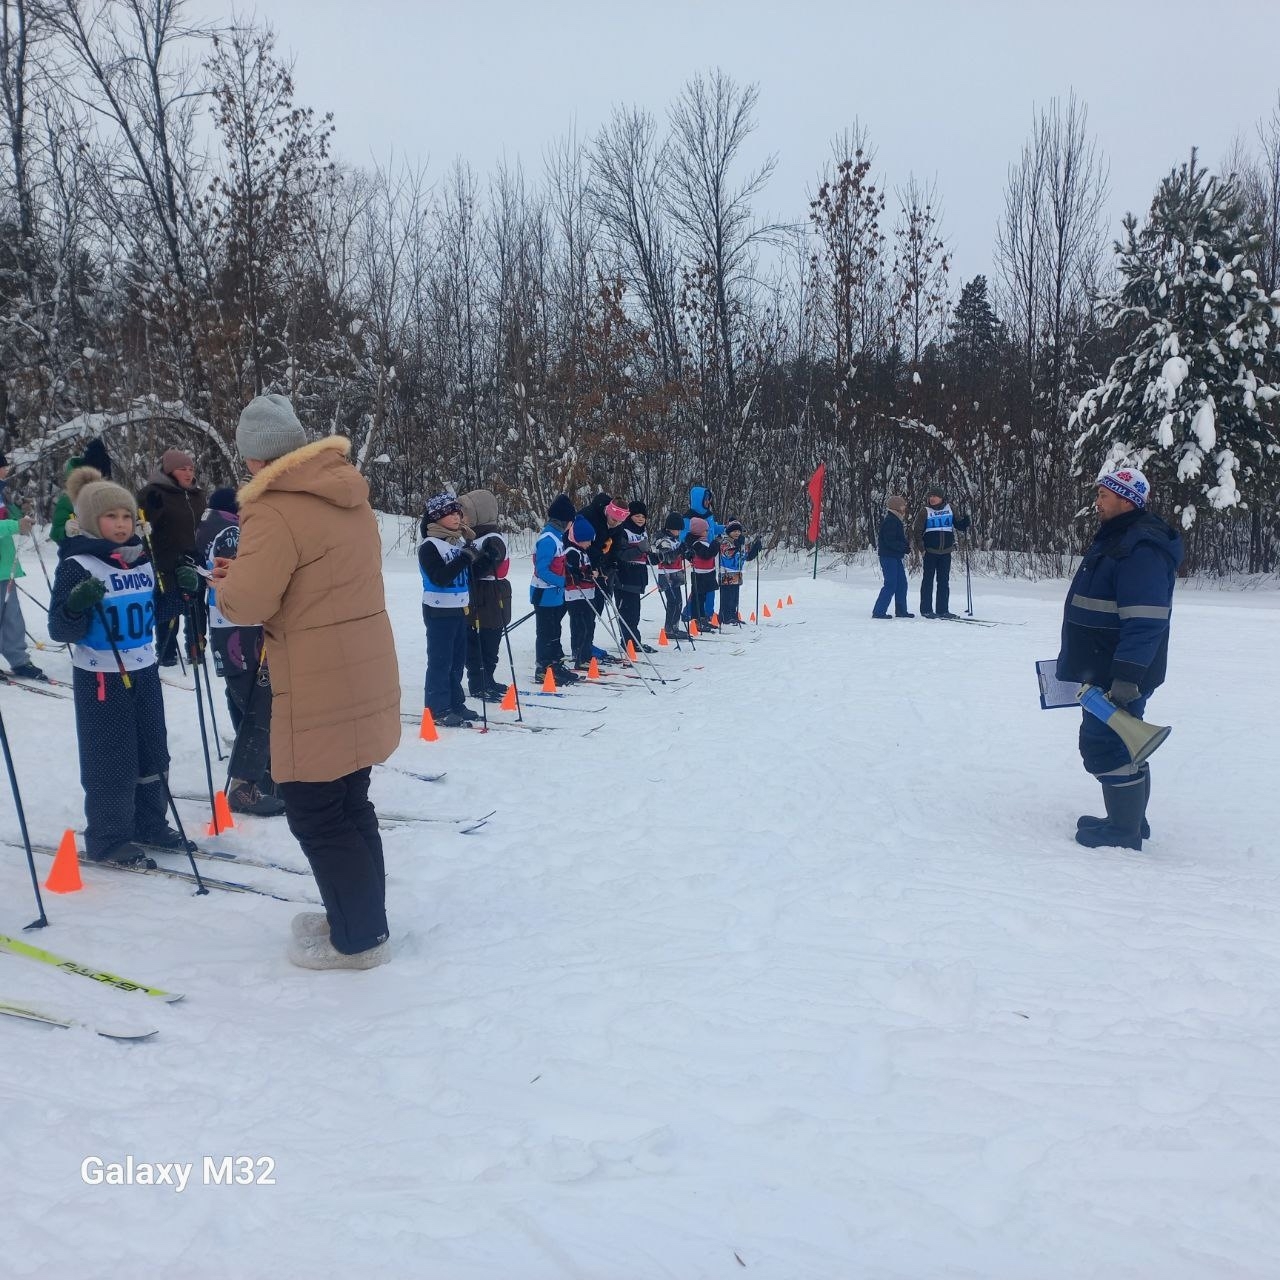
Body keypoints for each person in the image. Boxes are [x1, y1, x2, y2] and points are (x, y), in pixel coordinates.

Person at [214, 394, 400, 970]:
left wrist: (229, 579)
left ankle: (359, 940)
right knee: (350, 799)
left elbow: (249, 602)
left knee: (316, 810)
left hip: (316, 674)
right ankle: (360, 918)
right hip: (362, 665)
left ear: (255, 458)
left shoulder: (272, 508)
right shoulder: (347, 493)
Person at [48, 466, 192, 862]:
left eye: (127, 516)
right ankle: (109, 838)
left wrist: (181, 592)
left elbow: (154, 612)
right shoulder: (77, 565)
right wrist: (77, 604)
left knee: (152, 753)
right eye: (111, 516)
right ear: (93, 521)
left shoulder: (140, 561)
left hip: (143, 670)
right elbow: (60, 628)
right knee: (112, 758)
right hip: (101, 676)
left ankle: (149, 823)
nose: (121, 523)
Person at [1056, 467, 1182, 851]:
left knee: (1105, 743)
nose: (1097, 503)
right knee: (1125, 741)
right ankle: (1128, 820)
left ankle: (1123, 832)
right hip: (1103, 665)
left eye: (1103, 496)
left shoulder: (1139, 547)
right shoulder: (1119, 539)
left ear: (1126, 500)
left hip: (1118, 672)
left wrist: (1127, 676)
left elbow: (1145, 620)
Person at [194, 487, 285, 817]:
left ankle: (263, 774)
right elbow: (243, 575)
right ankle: (246, 785)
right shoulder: (229, 530)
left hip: (227, 624)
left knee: (246, 697)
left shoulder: (208, 526)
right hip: (241, 625)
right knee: (258, 700)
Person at [417, 492, 494, 728]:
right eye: (449, 513)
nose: (456, 517)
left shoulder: (459, 542)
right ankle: (438, 707)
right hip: (438, 610)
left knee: (457, 660)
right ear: (436, 518)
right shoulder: (430, 546)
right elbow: (440, 577)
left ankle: (455, 702)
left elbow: (469, 575)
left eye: (457, 512)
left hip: (460, 609)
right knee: (441, 661)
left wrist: (487, 559)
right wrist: (464, 558)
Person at [138, 448, 206, 665]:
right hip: (165, 558)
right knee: (169, 604)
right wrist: (151, 513)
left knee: (195, 607)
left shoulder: (197, 495)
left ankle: (196, 648)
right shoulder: (153, 492)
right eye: (182, 469)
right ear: (169, 471)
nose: (188, 473)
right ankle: (166, 651)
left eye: (191, 468)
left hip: (193, 557)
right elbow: (143, 525)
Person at [458, 488, 512, 703]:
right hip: (475, 595)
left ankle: (486, 677)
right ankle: (477, 680)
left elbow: (489, 564)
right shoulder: (470, 537)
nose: (462, 519)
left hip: (491, 594)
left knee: (489, 640)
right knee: (473, 641)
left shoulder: (492, 538)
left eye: (466, 514)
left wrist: (474, 562)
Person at [0, 450, 44, 681]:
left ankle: (19, 660)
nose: (5, 470)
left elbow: (9, 518)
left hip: (4, 567)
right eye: (2, 466)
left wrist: (23, 516)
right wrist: (15, 525)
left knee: (12, 617)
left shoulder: (1, 493)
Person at [530, 493, 580, 685]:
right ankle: (543, 668)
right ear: (565, 521)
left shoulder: (558, 537)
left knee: (555, 632)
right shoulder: (548, 539)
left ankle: (554, 665)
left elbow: (558, 563)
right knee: (546, 633)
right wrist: (563, 581)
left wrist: (568, 572)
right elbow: (542, 570)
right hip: (544, 594)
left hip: (555, 595)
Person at [915, 485, 971, 619]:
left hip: (946, 552)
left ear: (941, 497)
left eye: (935, 496)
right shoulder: (925, 511)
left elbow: (958, 525)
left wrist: (965, 522)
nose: (932, 499)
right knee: (928, 581)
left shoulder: (950, 508)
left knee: (943, 582)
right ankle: (926, 610)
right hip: (930, 552)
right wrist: (922, 549)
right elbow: (917, 532)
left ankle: (942, 610)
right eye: (930, 496)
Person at [52, 438, 113, 543]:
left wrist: (133, 531)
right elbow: (55, 533)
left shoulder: (112, 497)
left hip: (109, 555)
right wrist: (65, 531)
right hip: (80, 554)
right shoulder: (69, 499)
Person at [613, 500, 652, 651]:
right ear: (630, 516)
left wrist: (654, 556)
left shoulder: (643, 532)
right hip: (624, 577)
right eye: (637, 516)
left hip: (638, 578)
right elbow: (621, 555)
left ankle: (634, 640)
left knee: (635, 612)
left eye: (643, 516)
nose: (641, 519)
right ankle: (627, 641)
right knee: (627, 612)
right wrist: (639, 550)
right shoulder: (623, 531)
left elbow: (645, 555)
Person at [563, 515, 598, 668]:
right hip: (575, 595)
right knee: (580, 625)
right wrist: (586, 575)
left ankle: (586, 653)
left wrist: (594, 572)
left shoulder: (583, 552)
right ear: (578, 538)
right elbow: (574, 572)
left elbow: (587, 568)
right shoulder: (572, 552)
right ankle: (578, 654)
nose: (590, 544)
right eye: (587, 540)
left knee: (590, 624)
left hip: (588, 593)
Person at [872, 496, 914, 619]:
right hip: (888, 557)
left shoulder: (896, 520)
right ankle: (879, 611)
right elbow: (890, 540)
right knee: (891, 584)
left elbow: (896, 538)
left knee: (902, 583)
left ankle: (901, 610)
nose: (904, 508)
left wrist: (904, 545)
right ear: (896, 507)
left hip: (895, 556)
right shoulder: (891, 521)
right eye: (902, 506)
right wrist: (903, 547)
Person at [651, 511, 691, 640]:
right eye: (676, 530)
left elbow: (679, 553)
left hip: (676, 573)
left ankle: (675, 627)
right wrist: (679, 550)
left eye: (679, 530)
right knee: (673, 601)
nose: (678, 532)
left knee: (679, 601)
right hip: (666, 575)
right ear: (669, 528)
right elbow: (667, 558)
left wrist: (687, 552)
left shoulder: (675, 539)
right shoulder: (663, 540)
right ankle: (669, 628)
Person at [717, 519, 760, 626]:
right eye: (734, 531)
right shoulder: (725, 542)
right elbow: (727, 554)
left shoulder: (740, 543)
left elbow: (746, 556)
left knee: (734, 597)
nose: (737, 533)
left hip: (736, 573)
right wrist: (737, 545)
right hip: (726, 573)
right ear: (729, 532)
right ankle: (725, 616)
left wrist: (755, 548)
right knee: (727, 597)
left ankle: (733, 615)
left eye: (738, 531)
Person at [683, 516, 719, 628]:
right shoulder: (696, 543)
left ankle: (702, 618)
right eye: (705, 530)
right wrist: (715, 545)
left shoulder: (703, 542)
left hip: (708, 573)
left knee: (702, 597)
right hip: (699, 574)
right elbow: (706, 555)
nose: (707, 532)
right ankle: (696, 619)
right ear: (699, 531)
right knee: (697, 598)